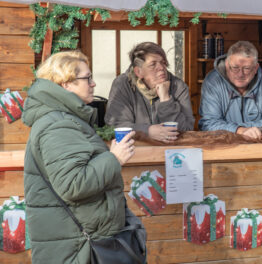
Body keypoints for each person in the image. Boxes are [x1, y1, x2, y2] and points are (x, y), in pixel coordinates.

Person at [22, 51, 146, 263]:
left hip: (80, 243)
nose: (94, 83)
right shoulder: (58, 124)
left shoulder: (63, 118)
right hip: (79, 249)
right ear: (66, 84)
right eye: (87, 78)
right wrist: (114, 159)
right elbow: (72, 184)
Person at [105, 41, 194, 143]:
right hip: (133, 150)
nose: (161, 67)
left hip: (171, 150)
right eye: (153, 64)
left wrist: (165, 100)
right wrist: (147, 131)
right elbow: (115, 126)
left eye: (163, 62)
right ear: (139, 72)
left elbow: (187, 130)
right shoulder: (122, 84)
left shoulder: (178, 86)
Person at [198, 40, 262, 140]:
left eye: (246, 68)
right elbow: (208, 124)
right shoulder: (213, 81)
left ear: (255, 68)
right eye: (235, 67)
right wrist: (239, 130)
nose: (240, 74)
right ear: (227, 65)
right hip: (222, 146)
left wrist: (232, 127)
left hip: (259, 142)